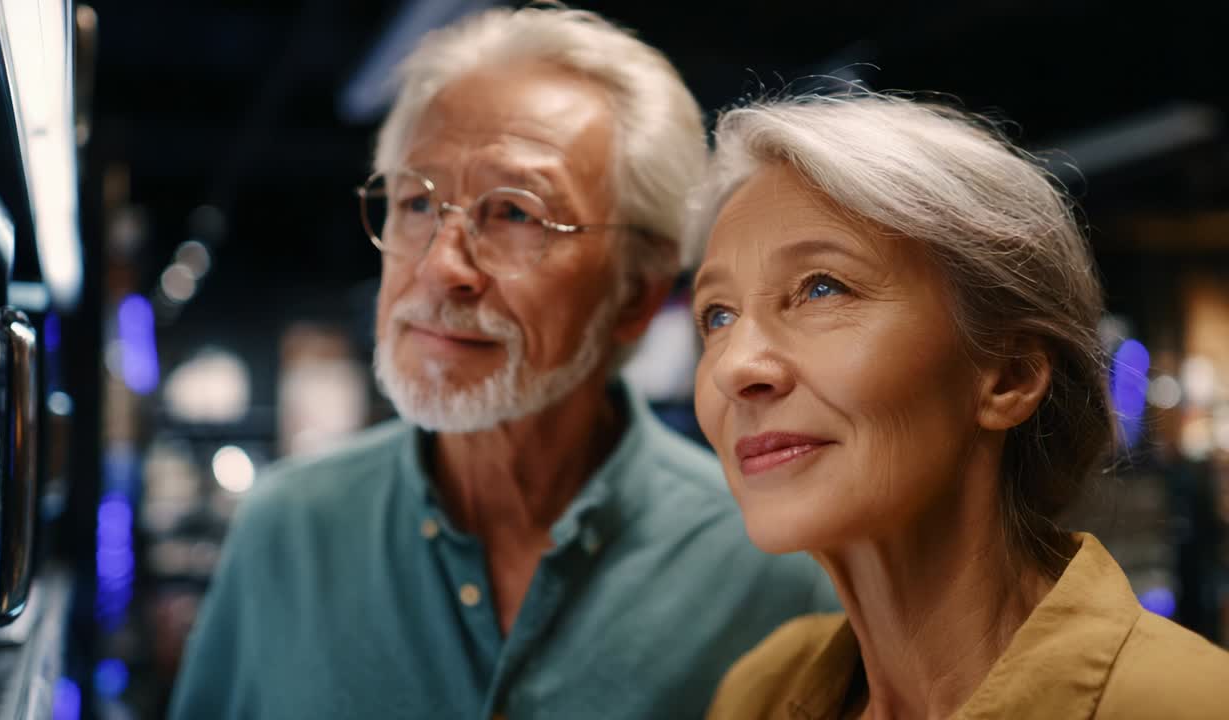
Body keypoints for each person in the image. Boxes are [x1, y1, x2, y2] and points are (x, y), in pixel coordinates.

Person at [168, 7, 836, 719]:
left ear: (635, 292)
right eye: (416, 202)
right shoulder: (288, 531)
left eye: (517, 214)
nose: (439, 266)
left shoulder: (774, 575)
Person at [689, 93, 1229, 719]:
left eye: (821, 288)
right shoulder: (759, 692)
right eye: (717, 316)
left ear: (1009, 376)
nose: (734, 368)